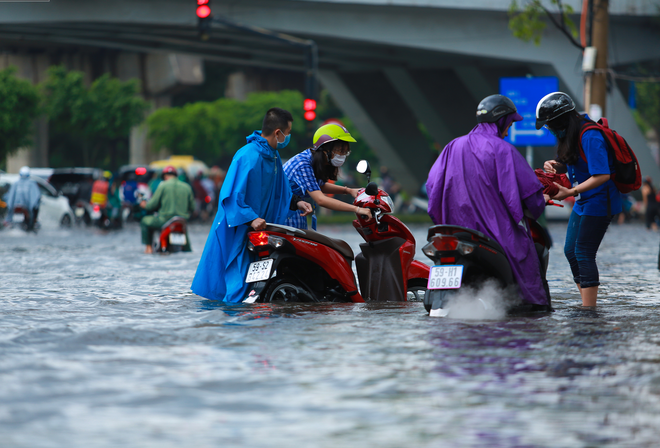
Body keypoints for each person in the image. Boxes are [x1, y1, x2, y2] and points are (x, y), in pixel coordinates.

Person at [426, 94, 550, 308]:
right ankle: (531, 306)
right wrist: (542, 199)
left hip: (454, 231)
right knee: (526, 257)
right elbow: (529, 194)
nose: (509, 129)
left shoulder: (451, 146)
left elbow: (431, 187)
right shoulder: (503, 150)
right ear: (501, 120)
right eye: (509, 123)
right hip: (496, 233)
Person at [191, 108, 313, 302]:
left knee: (254, 284)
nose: (288, 137)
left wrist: (297, 202)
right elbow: (231, 196)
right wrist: (251, 218)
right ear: (277, 133)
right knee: (234, 282)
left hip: (261, 230)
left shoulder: (273, 157)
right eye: (287, 133)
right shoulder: (247, 156)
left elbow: (281, 191)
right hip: (239, 228)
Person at [537, 91, 622, 307]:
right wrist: (556, 165)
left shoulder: (590, 135)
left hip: (600, 201)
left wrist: (570, 193)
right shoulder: (572, 134)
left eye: (550, 124)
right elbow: (576, 162)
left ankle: (589, 310)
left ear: (562, 119)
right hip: (584, 199)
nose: (551, 129)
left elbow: (602, 174)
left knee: (584, 252)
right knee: (570, 251)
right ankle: (586, 300)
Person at [283, 123, 372, 229]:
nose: (342, 155)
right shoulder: (303, 164)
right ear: (325, 149)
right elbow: (321, 200)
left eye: (345, 152)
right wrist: (357, 209)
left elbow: (319, 186)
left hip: (297, 210)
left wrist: (349, 191)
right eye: (339, 150)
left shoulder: (315, 161)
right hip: (283, 214)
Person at [140, 165, 195, 254]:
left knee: (144, 221)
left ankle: (148, 248)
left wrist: (144, 205)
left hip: (164, 220)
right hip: (181, 221)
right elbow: (192, 207)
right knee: (188, 251)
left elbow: (152, 205)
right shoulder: (187, 187)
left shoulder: (163, 185)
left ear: (165, 176)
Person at [3, 166, 41, 231]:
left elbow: (9, 197)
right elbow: (36, 197)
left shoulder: (15, 183)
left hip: (16, 207)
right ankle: (32, 224)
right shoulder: (31, 184)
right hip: (26, 207)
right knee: (32, 217)